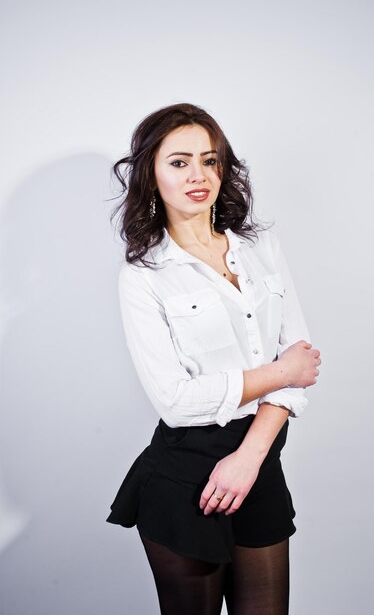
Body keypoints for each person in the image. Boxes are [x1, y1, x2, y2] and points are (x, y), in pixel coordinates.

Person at [106, 102, 321, 615]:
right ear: (150, 175)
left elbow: (302, 364)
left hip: (259, 458)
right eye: (179, 162)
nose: (198, 176)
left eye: (210, 160)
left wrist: (248, 459)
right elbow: (177, 403)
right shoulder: (144, 276)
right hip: (185, 474)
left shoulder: (260, 246)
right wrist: (277, 372)